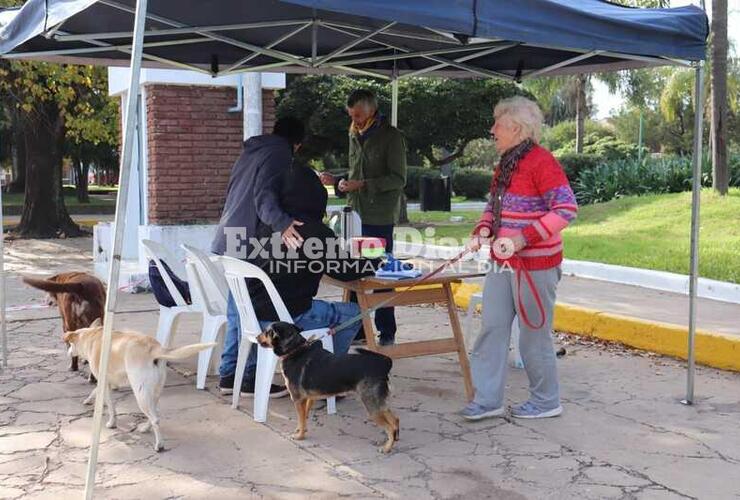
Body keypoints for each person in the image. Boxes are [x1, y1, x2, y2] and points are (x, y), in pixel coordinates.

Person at [460, 96, 578, 421]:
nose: (492, 129)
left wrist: (522, 238)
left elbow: (566, 209)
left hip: (535, 265)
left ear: (516, 127)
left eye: (498, 123)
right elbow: (492, 208)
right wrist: (484, 229)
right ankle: (487, 400)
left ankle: (546, 401)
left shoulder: (542, 162)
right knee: (492, 328)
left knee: (533, 335)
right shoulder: (505, 164)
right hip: (503, 262)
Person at [211, 116, 306, 396]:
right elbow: (264, 197)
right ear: (296, 144)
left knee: (237, 309)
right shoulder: (279, 153)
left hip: (231, 235)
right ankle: (247, 375)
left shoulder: (253, 151)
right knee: (249, 309)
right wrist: (283, 223)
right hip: (246, 239)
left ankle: (230, 373)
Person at [320, 89, 407, 346]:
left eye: (358, 115)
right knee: (353, 272)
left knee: (381, 273)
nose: (355, 120)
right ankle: (356, 328)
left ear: (372, 110)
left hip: (378, 216)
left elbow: (398, 179)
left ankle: (386, 330)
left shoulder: (391, 137)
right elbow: (354, 172)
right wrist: (338, 182)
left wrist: (364, 184)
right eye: (351, 116)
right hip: (354, 213)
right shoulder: (353, 133)